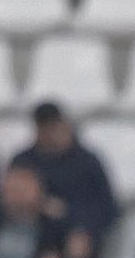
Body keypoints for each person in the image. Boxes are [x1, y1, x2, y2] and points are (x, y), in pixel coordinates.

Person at [11, 102, 119, 245]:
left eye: (54, 127)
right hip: (31, 235)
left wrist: (72, 217)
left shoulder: (88, 162)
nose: (51, 134)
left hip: (78, 237)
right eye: (45, 129)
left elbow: (107, 209)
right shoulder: (24, 161)